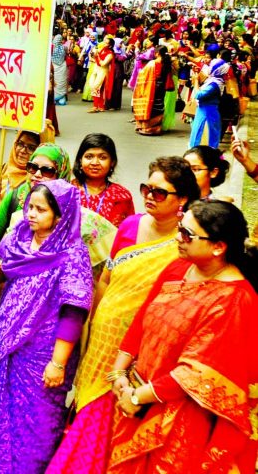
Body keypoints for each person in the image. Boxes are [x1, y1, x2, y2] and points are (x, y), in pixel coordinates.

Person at [46, 156, 199, 474]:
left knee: (109, 420)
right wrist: (94, 324)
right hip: (102, 340)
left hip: (138, 351)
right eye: (147, 188)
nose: (149, 196)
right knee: (85, 406)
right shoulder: (130, 226)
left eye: (160, 192)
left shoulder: (184, 248)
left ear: (182, 199)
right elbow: (106, 279)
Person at [107, 200, 258, 473]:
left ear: (218, 247)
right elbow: (142, 318)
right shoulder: (178, 268)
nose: (178, 238)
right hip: (136, 397)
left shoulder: (235, 299)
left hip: (182, 417)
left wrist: (139, 397)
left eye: (187, 235)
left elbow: (195, 374)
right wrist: (118, 374)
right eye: (180, 228)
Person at [0, 180, 93, 474]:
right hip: (8, 345)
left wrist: (58, 363)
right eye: (30, 207)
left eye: (41, 209)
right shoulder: (20, 239)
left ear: (60, 215)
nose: (31, 215)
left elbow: (73, 311)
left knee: (33, 424)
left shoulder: (72, 253)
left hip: (43, 354)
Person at [0, 143, 70, 239]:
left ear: (60, 175)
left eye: (47, 170)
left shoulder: (69, 209)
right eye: (33, 167)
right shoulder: (17, 196)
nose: (37, 174)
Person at [71, 133, 134, 227]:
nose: (95, 163)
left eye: (102, 157)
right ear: (80, 159)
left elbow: (129, 231)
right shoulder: (69, 190)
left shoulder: (121, 196)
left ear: (112, 162)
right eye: (89, 157)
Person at [0, 130, 41, 213]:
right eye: (20, 144)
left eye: (31, 148)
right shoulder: (5, 168)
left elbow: (28, 219)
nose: (23, 150)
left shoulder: (36, 178)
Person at [132, 46, 173, 135]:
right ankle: (155, 128)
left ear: (157, 53)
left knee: (150, 106)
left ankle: (145, 127)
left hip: (152, 88)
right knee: (158, 106)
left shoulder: (152, 63)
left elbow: (142, 74)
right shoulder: (167, 63)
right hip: (161, 88)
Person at [190, 59, 227, 149]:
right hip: (206, 112)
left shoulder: (214, 84)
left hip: (207, 115)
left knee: (202, 143)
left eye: (211, 66)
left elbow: (199, 95)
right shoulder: (215, 80)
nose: (209, 68)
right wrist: (198, 73)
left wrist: (195, 81)